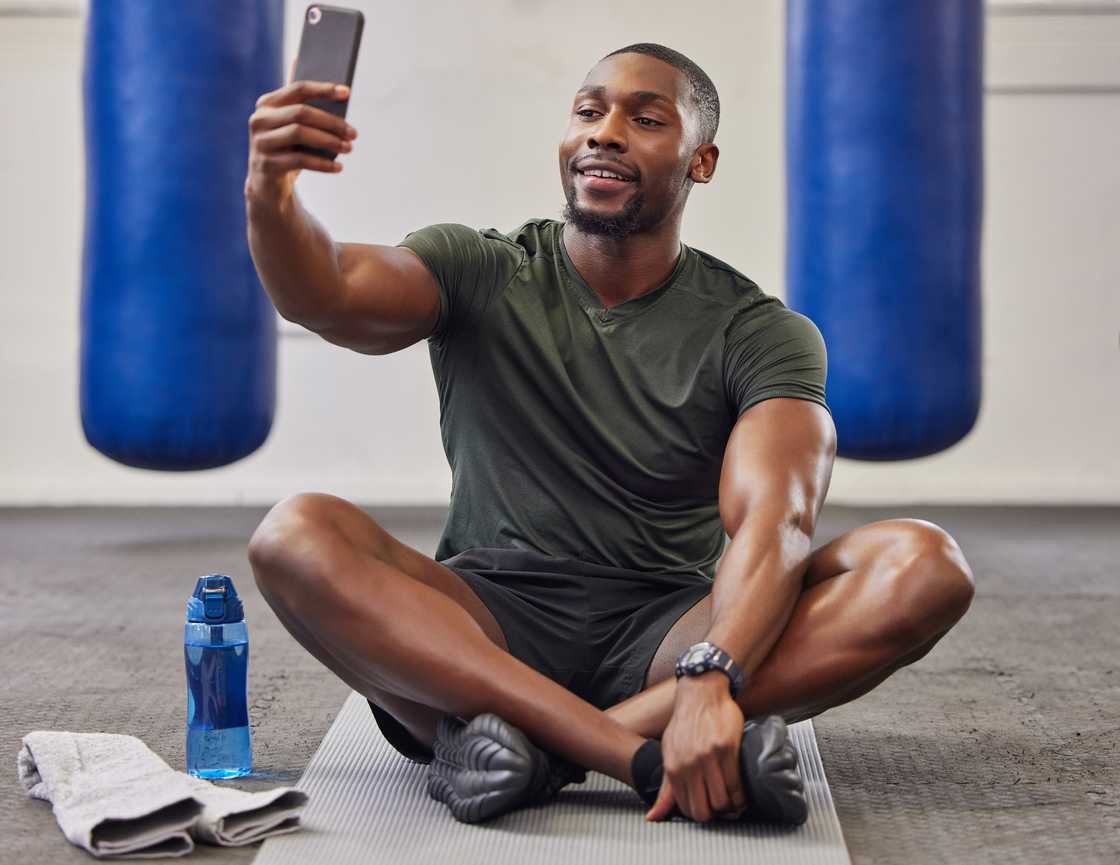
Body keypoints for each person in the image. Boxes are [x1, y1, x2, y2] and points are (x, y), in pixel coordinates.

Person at [243, 42, 975, 826]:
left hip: (666, 634)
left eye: (647, 119)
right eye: (589, 111)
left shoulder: (759, 331)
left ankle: (541, 754)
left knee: (923, 564)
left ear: (701, 163)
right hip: (484, 627)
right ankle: (644, 756)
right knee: (293, 533)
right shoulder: (481, 268)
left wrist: (711, 671)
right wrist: (269, 190)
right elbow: (326, 292)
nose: (605, 131)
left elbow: (778, 521)